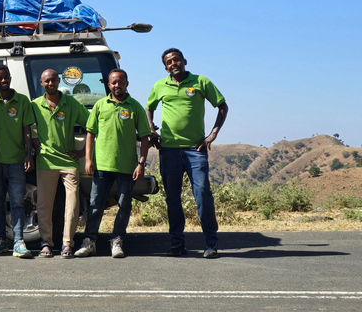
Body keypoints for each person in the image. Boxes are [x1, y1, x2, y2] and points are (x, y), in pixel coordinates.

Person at [146, 48, 229, 259]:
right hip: (169, 150)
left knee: (202, 193)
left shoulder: (201, 82)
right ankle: (177, 244)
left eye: (176, 60)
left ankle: (211, 244)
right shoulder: (159, 86)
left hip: (196, 149)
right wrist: (152, 132)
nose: (173, 64)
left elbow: (222, 106)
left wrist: (213, 134)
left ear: (184, 61)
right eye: (169, 62)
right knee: (173, 199)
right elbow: (149, 108)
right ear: (166, 67)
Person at [74, 69, 151, 258]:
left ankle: (117, 240)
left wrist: (141, 164)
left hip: (127, 167)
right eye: (113, 83)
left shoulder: (135, 107)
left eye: (121, 82)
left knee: (124, 205)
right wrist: (89, 159)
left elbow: (144, 137)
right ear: (109, 85)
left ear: (127, 83)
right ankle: (89, 241)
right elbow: (90, 133)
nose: (117, 85)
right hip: (101, 166)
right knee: (95, 204)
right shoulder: (100, 105)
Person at [31, 69, 90, 259]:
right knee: (44, 205)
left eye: (53, 80)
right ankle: (46, 243)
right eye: (47, 81)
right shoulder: (35, 105)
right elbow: (24, 127)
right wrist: (32, 143)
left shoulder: (71, 103)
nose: (50, 84)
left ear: (58, 81)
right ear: (41, 82)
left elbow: (91, 127)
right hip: (45, 161)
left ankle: (67, 244)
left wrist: (82, 153)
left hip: (68, 161)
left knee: (72, 206)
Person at [0, 64, 36, 258]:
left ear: (10, 78)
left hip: (17, 161)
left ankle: (18, 241)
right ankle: (0, 240)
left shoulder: (22, 101)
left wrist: (29, 153)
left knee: (17, 203)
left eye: (5, 77)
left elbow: (27, 130)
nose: (3, 81)